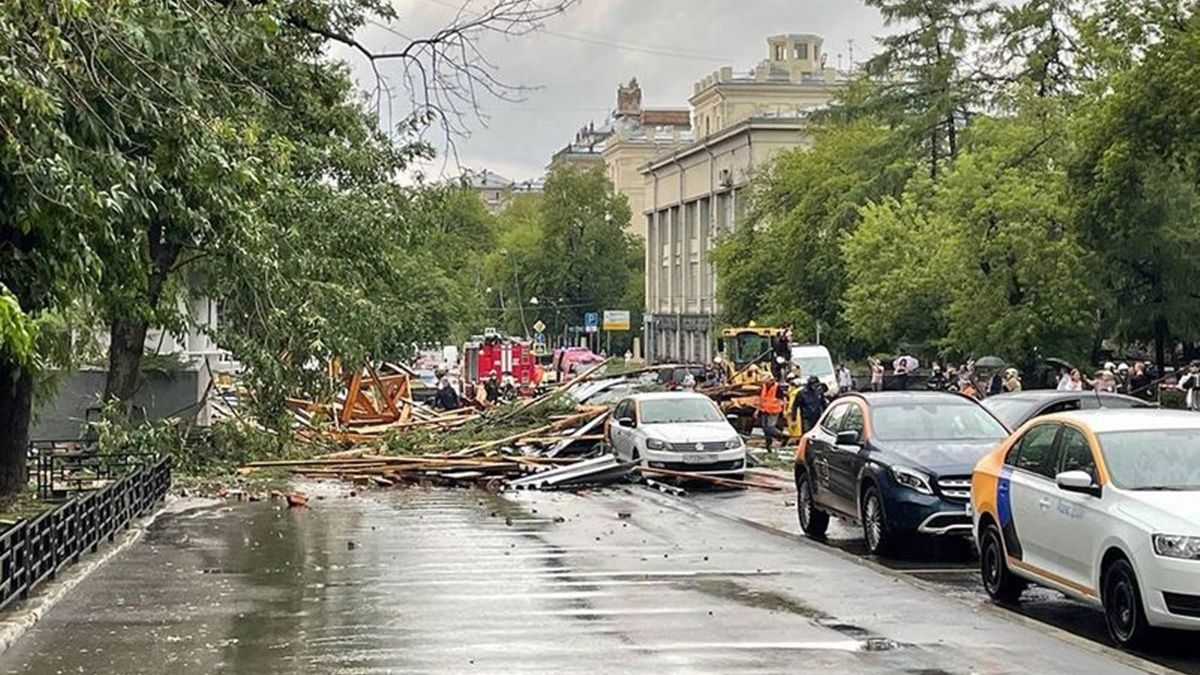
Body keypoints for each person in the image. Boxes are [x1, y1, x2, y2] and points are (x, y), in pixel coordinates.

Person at [757, 372, 787, 451]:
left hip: (774, 410)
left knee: (770, 428)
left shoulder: (777, 387)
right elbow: (761, 399)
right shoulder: (764, 387)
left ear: (771, 380)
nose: (765, 384)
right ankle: (768, 444)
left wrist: (783, 410)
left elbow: (783, 399)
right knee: (764, 428)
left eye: (766, 382)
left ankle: (784, 437)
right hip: (764, 410)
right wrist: (757, 410)